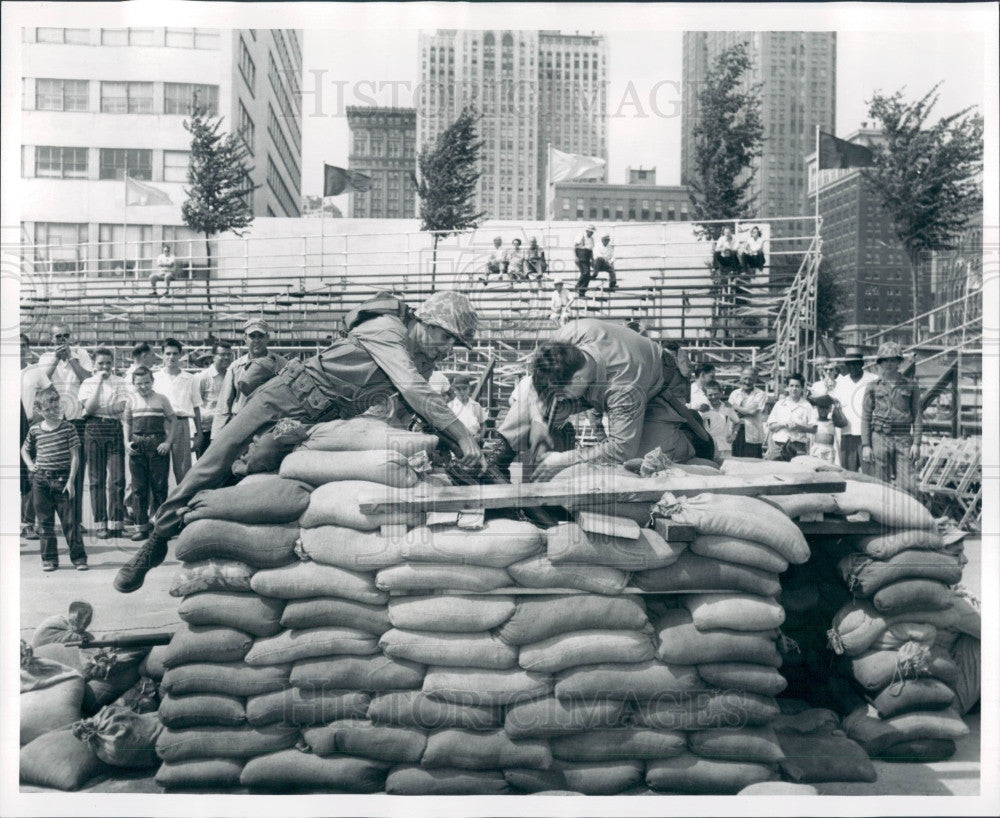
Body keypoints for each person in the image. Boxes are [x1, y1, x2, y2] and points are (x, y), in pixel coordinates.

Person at [115, 290, 485, 593]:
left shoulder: (423, 363)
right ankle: (158, 538)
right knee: (216, 459)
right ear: (430, 322)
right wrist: (462, 435)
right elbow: (413, 389)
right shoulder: (388, 328)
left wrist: (451, 447)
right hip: (286, 395)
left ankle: (213, 533)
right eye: (448, 338)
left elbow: (409, 411)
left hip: (315, 425)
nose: (448, 349)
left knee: (258, 480)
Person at [491, 318, 714, 482]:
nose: (558, 401)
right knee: (529, 390)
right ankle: (497, 460)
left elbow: (621, 448)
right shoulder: (568, 336)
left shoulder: (625, 389)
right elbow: (537, 383)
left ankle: (689, 436)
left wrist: (563, 459)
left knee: (639, 460)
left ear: (577, 379)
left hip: (659, 388)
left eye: (561, 394)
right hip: (604, 376)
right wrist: (539, 420)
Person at [21, 387, 88, 571]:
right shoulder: (35, 430)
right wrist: (29, 465)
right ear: (39, 411)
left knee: (70, 522)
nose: (52, 412)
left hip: (63, 479)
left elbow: (75, 456)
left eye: (55, 408)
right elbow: (25, 449)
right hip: (41, 481)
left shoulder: (68, 428)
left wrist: (71, 481)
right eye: (47, 409)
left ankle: (79, 558)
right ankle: (49, 559)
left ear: (60, 407)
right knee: (44, 523)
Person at [38, 323, 92, 523]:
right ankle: (51, 520)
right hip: (53, 419)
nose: (62, 339)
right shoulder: (44, 357)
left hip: (76, 418)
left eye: (65, 335)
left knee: (76, 471)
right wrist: (56, 359)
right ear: (52, 339)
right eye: (58, 336)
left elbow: (88, 379)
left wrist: (70, 358)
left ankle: (75, 520)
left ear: (71, 337)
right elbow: (42, 380)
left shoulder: (81, 353)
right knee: (52, 469)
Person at [77, 347, 129, 538]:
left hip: (113, 429)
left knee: (117, 478)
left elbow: (120, 407)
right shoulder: (88, 382)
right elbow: (89, 408)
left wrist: (95, 409)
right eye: (101, 363)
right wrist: (98, 382)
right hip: (93, 430)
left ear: (112, 363)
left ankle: (116, 523)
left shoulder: (121, 382)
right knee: (96, 479)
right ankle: (101, 524)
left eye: (108, 363)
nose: (105, 367)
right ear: (94, 364)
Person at [124, 366, 178, 542]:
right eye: (139, 383)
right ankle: (141, 527)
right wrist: (126, 442)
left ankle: (160, 526)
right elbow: (127, 422)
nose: (143, 386)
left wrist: (168, 442)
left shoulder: (161, 399)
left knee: (159, 486)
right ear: (133, 384)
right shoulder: (131, 400)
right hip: (137, 444)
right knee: (139, 487)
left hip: (157, 444)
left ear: (152, 382)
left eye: (147, 382)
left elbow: (173, 420)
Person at [861, 341, 922, 490]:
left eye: (893, 359)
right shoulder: (873, 386)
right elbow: (866, 417)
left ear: (899, 362)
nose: (889, 364)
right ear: (880, 363)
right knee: (880, 484)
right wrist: (866, 445)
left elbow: (917, 415)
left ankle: (905, 513)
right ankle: (880, 514)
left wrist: (916, 443)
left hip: (903, 438)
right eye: (885, 360)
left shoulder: (911, 385)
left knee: (908, 484)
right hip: (880, 438)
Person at [212, 319, 287, 436]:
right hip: (241, 423)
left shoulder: (282, 364)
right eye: (252, 336)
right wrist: (216, 436)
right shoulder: (236, 367)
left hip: (269, 425)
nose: (256, 340)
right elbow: (224, 405)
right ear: (245, 338)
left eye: (260, 336)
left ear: (268, 337)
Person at [153, 338, 203, 482]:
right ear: (162, 355)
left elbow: (196, 406)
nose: (171, 357)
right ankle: (156, 504)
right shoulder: (155, 378)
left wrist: (199, 433)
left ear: (181, 355)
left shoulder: (190, 378)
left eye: (175, 353)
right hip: (160, 425)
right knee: (158, 470)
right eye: (168, 353)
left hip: (181, 424)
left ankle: (183, 503)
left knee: (183, 470)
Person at [21, 335, 51, 539]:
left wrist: (39, 416)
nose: (19, 349)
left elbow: (51, 395)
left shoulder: (36, 371)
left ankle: (27, 522)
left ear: (28, 349)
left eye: (23, 346)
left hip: (29, 425)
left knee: (31, 473)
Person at [831, 347, 877, 472]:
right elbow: (835, 406)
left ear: (862, 364)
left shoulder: (873, 379)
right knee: (848, 474)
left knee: (869, 474)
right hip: (847, 434)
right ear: (846, 365)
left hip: (868, 434)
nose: (853, 366)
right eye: (849, 364)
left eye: (856, 363)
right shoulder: (840, 382)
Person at [194, 342, 234, 457]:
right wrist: (199, 434)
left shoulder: (232, 374)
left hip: (226, 429)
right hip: (207, 430)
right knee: (204, 468)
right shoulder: (202, 377)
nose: (226, 357)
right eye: (222, 354)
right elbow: (195, 406)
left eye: (229, 354)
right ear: (213, 356)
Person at [765, 374, 818, 461]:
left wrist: (798, 426)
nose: (794, 389)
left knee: (796, 473)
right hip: (778, 446)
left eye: (797, 386)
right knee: (775, 472)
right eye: (791, 386)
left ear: (802, 388)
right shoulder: (779, 404)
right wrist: (783, 424)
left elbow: (814, 429)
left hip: (798, 447)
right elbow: (771, 427)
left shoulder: (807, 406)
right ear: (787, 387)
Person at [728, 366, 768, 458]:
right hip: (736, 433)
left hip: (752, 434)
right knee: (736, 462)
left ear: (755, 379)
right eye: (745, 378)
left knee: (753, 464)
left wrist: (735, 406)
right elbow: (729, 413)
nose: (747, 382)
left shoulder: (760, 394)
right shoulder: (734, 394)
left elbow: (752, 411)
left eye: (750, 379)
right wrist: (747, 411)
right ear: (740, 377)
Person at [700, 380, 739, 460]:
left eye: (716, 394)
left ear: (721, 393)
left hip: (725, 446)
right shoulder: (703, 409)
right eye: (710, 395)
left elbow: (737, 422)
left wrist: (734, 436)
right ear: (705, 395)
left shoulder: (727, 407)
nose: (713, 397)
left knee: (727, 468)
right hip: (708, 447)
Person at [808, 394, 848, 463]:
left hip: (829, 451)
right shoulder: (815, 422)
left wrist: (837, 408)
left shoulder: (832, 422)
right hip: (817, 450)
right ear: (817, 408)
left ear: (830, 408)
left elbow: (844, 423)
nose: (823, 410)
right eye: (821, 407)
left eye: (826, 407)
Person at [449, 374, 487, 441]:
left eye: (464, 388)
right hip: (456, 442)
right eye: (458, 389)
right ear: (454, 389)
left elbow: (483, 424)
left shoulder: (476, 405)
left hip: (473, 441)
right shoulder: (450, 406)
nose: (462, 392)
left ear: (469, 388)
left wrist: (480, 436)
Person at [574, 225, 596, 296]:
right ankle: (578, 287)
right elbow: (575, 246)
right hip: (580, 255)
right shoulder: (581, 236)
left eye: (592, 232)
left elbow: (591, 250)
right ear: (587, 231)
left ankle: (582, 291)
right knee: (585, 273)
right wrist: (575, 257)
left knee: (588, 275)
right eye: (590, 232)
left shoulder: (592, 239)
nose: (591, 233)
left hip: (587, 257)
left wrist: (592, 260)